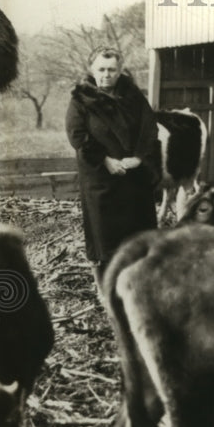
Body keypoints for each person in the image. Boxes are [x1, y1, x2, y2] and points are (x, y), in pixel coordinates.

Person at [66, 46, 160, 290]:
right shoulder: (81, 100)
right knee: (104, 237)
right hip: (100, 179)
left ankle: (137, 285)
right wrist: (106, 161)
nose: (106, 75)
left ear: (119, 71)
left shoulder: (133, 96)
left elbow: (149, 129)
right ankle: (106, 289)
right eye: (101, 69)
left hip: (133, 177)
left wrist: (139, 158)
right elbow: (78, 136)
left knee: (138, 234)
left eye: (111, 70)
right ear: (91, 69)